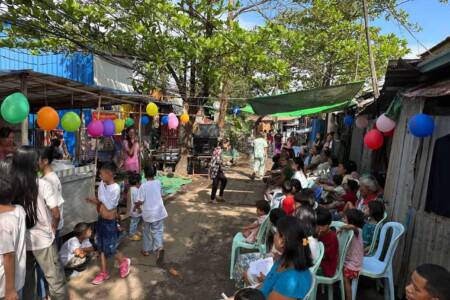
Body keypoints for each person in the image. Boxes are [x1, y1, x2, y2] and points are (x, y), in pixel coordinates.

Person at [12, 146, 67, 300]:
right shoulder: (42, 184)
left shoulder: (12, 185)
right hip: (43, 240)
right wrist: (54, 226)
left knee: (28, 280)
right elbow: (56, 213)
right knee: (55, 281)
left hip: (22, 241)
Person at [86, 162, 131, 285]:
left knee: (110, 249)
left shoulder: (115, 188)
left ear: (110, 174)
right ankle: (104, 272)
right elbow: (101, 202)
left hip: (109, 223)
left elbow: (110, 205)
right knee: (101, 248)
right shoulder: (103, 184)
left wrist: (100, 196)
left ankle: (123, 262)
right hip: (101, 220)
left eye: (102, 173)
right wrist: (94, 201)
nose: (100, 176)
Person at [259, 216, 313, 299]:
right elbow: (270, 283)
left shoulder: (289, 280)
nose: (274, 235)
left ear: (282, 242)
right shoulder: (283, 260)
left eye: (276, 233)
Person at [234, 209, 286, 288]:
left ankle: (241, 286)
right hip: (271, 259)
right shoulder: (283, 231)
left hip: (270, 260)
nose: (276, 236)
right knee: (244, 261)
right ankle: (243, 286)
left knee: (242, 260)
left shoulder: (278, 233)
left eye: (277, 235)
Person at [0, 158, 26, 300]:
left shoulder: (3, 221)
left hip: (5, 287)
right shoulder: (20, 210)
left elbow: (8, 256)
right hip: (17, 280)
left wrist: (9, 290)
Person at [137, 164, 168, 265]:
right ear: (155, 173)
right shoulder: (159, 183)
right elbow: (162, 194)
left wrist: (136, 206)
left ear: (144, 174)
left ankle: (146, 250)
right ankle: (159, 247)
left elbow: (140, 201)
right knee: (158, 230)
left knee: (146, 231)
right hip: (158, 212)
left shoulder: (143, 186)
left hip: (147, 214)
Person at [341, 209, 365, 300]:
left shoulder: (358, 230)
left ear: (351, 221)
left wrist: (342, 227)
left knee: (345, 279)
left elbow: (352, 227)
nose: (342, 219)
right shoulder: (352, 231)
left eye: (345, 218)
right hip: (351, 259)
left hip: (354, 263)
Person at [316, 207, 338, 277]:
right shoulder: (317, 233)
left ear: (328, 224)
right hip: (319, 262)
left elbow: (328, 256)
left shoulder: (332, 237)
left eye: (322, 225)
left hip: (327, 268)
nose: (319, 228)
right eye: (317, 225)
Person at [128, 172, 143, 241]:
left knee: (135, 221)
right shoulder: (136, 190)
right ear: (137, 182)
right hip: (136, 210)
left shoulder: (131, 188)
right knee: (134, 222)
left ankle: (134, 231)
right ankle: (131, 234)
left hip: (132, 209)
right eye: (140, 181)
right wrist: (139, 208)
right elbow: (136, 201)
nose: (141, 183)